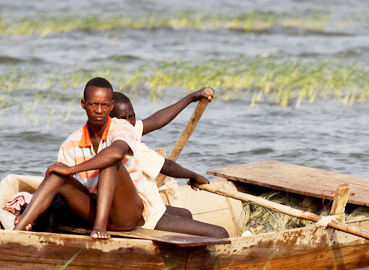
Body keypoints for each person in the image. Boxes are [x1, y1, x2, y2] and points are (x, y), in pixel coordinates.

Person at [13, 77, 153, 239]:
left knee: (110, 163)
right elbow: (56, 182)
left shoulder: (121, 127)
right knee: (57, 175)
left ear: (111, 106)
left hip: (128, 214)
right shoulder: (72, 142)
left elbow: (115, 153)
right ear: (83, 104)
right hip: (94, 210)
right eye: (94, 104)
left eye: (105, 105)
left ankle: (100, 228)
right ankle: (18, 229)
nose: (99, 111)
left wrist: (72, 169)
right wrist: (32, 214)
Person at [109, 89, 229, 239]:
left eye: (132, 116)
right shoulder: (127, 145)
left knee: (185, 214)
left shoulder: (122, 130)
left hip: (143, 208)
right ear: (111, 121)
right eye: (123, 118)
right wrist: (193, 176)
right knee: (220, 233)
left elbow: (158, 119)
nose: (129, 122)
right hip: (145, 216)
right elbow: (166, 166)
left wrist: (192, 97)